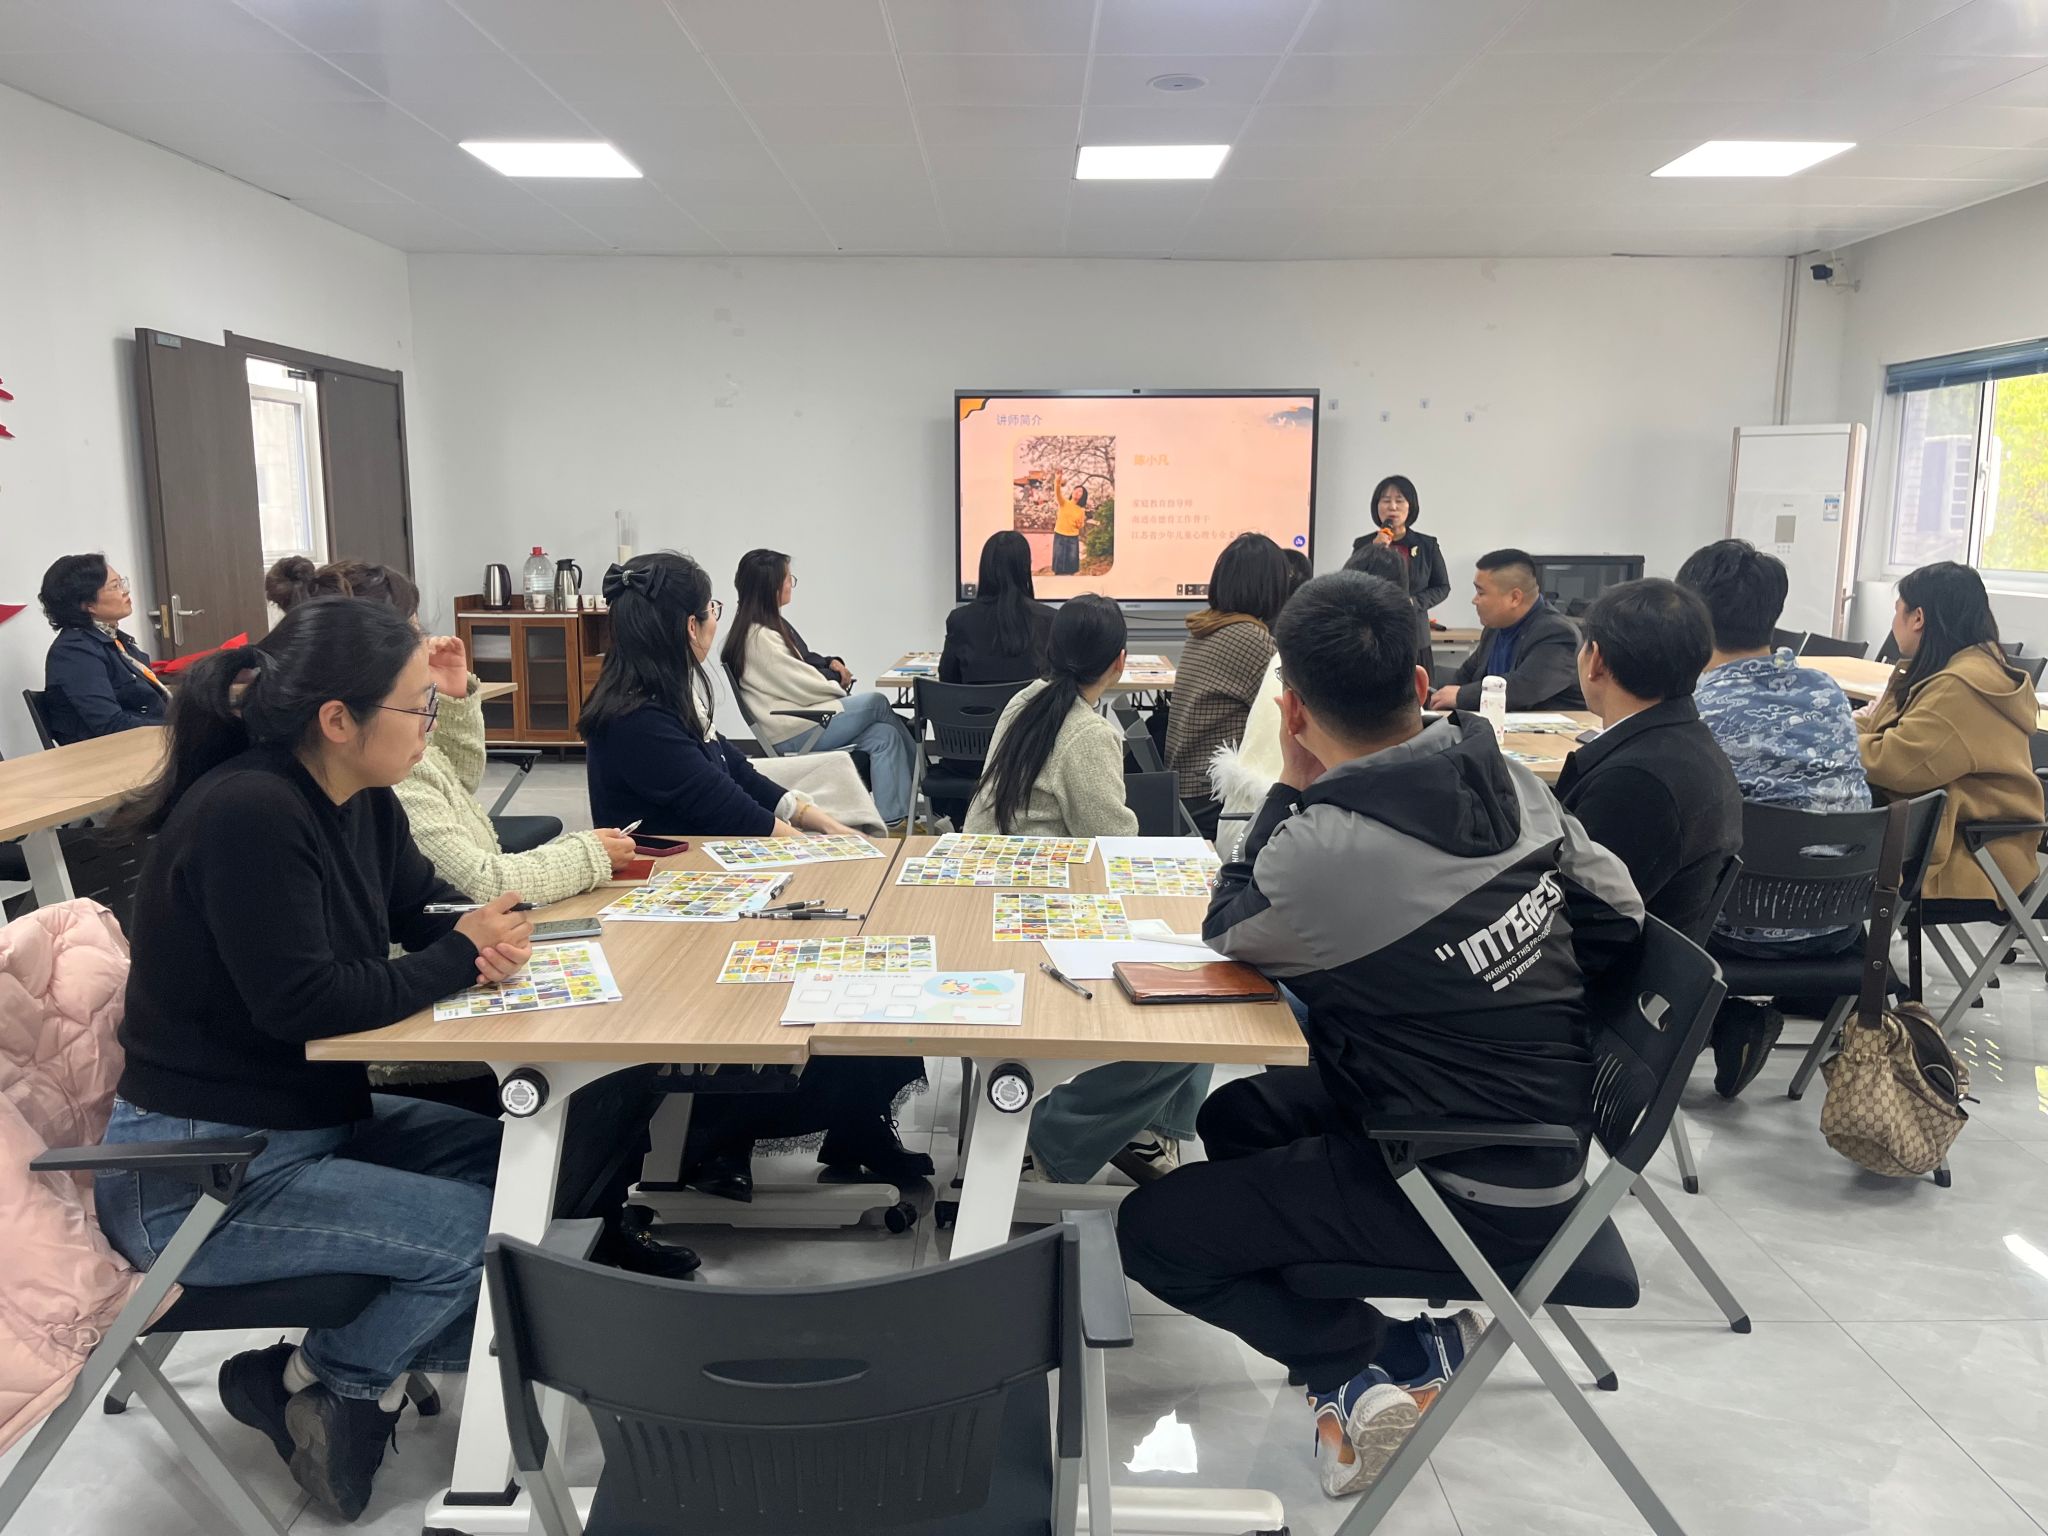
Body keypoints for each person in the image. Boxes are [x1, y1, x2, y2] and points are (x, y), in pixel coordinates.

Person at [1117, 569, 1643, 1501]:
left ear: (1293, 709)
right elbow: (1620, 917)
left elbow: (1230, 924)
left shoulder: (1323, 849)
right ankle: (1347, 1370)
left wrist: (1291, 783)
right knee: (1239, 1119)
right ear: (1420, 683)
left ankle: (1382, 1349)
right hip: (1547, 1134)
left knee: (1154, 1232)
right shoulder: (1509, 779)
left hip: (1463, 1175)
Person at [91, 595, 535, 1521]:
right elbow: (307, 1002)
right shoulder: (249, 812)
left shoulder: (360, 798)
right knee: (474, 1235)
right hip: (197, 1173)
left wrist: (478, 935)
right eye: (420, 704)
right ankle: (336, 1381)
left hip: (301, 1125)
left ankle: (302, 1379)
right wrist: (460, 956)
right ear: (338, 719)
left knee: (522, 1167)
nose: (432, 720)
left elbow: (417, 907)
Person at [582, 553, 929, 1199]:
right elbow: (720, 803)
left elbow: (733, 771)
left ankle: (854, 1128)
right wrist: (808, 845)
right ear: (689, 625)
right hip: (675, 912)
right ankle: (718, 1143)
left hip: (714, 887)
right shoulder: (636, 717)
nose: (714, 620)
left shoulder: (665, 692)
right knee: (832, 967)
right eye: (708, 611)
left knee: (868, 952)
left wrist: (821, 821)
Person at [967, 595, 1210, 1187]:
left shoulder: (1026, 699)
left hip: (988, 890)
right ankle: (1065, 1132)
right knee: (1197, 1002)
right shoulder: (1089, 733)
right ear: (1120, 661)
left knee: (1195, 988)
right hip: (1049, 909)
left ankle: (1142, 1130)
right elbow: (1113, 845)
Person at [266, 557, 638, 906]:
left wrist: (452, 698)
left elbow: (458, 783)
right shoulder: (378, 773)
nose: (425, 643)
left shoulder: (382, 749)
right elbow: (475, 886)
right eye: (413, 629)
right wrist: (587, 854)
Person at [1676, 539, 1872, 1099]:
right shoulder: (1828, 693)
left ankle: (1709, 1022)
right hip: (1839, 923)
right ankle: (1730, 1020)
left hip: (1730, 929)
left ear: (1690, 615)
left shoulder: (1694, 706)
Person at [1556, 579, 1742, 944]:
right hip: (1654, 954)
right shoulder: (1688, 741)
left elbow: (1578, 924)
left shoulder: (1634, 784)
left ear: (1597, 661)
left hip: (1616, 972)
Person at [1861, 561, 2043, 904]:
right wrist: (1834, 728)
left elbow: (1897, 763)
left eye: (1897, 610)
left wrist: (1829, 742)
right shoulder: (1959, 670)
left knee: (1822, 850)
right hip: (1958, 837)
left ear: (1918, 618)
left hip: (1974, 855)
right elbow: (1880, 726)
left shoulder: (1961, 686)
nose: (1894, 621)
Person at [722, 548, 915, 825]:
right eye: (788, 579)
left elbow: (804, 663)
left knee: (885, 735)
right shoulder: (759, 637)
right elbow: (801, 682)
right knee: (877, 703)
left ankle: (894, 820)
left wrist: (831, 665)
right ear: (770, 586)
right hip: (796, 728)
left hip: (801, 719)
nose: (791, 584)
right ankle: (928, 782)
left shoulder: (767, 628)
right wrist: (835, 680)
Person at [1166, 533, 1296, 838]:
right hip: (1213, 797)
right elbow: (1290, 709)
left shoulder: (1204, 628)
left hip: (1185, 790)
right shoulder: (1252, 640)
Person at [1429, 548, 1585, 713]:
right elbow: (1467, 674)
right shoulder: (1495, 627)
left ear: (1514, 598)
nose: (1474, 600)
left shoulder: (1557, 633)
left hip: (1547, 728)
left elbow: (1524, 688)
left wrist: (1460, 696)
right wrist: (1440, 696)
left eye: (1481, 592)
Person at [38, 552, 170, 744]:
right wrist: (176, 730)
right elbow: (110, 724)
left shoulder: (116, 642)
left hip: (147, 741)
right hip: (112, 752)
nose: (125, 591)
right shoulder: (74, 652)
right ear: (88, 604)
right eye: (115, 586)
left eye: (122, 583)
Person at [1350, 475, 1449, 665]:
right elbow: (1349, 581)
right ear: (1377, 506)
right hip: (1373, 637)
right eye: (1386, 500)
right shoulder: (1364, 544)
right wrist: (1373, 549)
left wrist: (1414, 602)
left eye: (1399, 500)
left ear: (1411, 506)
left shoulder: (1427, 545)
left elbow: (1442, 587)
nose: (1392, 507)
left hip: (1415, 637)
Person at [942, 530, 1055, 685]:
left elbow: (947, 680)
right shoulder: (1050, 619)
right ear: (1025, 567)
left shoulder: (960, 620)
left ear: (984, 567)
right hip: (1033, 702)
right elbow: (1059, 681)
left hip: (975, 702)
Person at [1051, 469, 1089, 576]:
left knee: (1071, 565)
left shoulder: (1081, 510)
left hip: (1072, 537)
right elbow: (1057, 492)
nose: (1077, 491)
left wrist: (1079, 524)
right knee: (1059, 564)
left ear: (1083, 496)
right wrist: (1057, 480)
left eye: (1080, 491)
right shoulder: (1064, 503)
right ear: (1072, 492)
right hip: (1060, 535)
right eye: (1076, 489)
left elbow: (1081, 525)